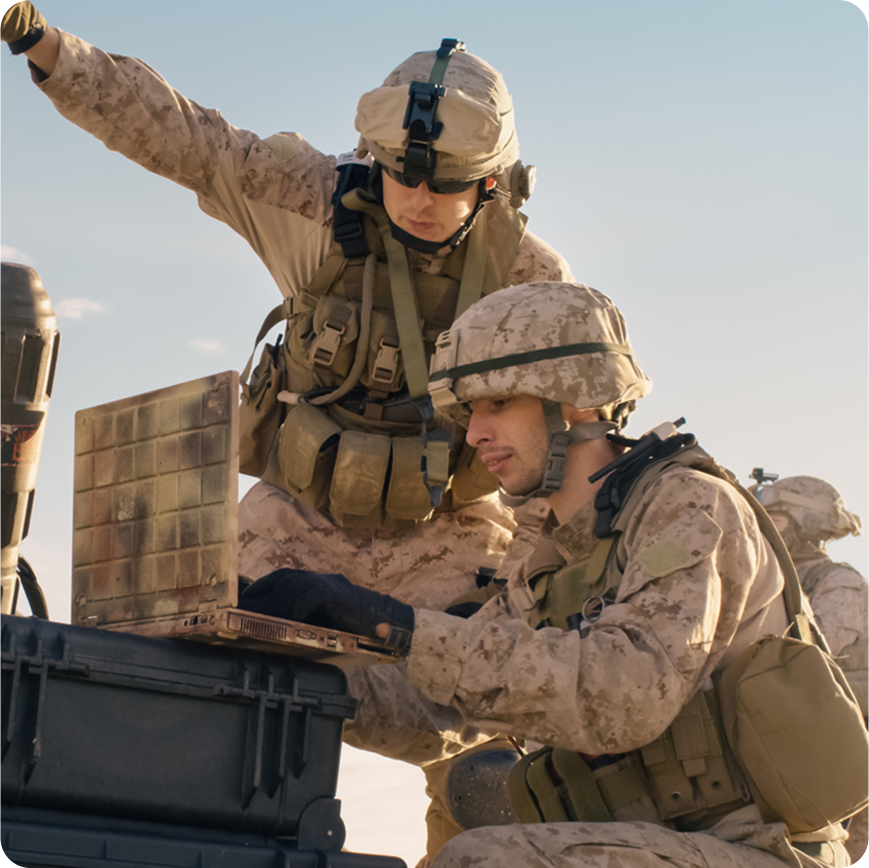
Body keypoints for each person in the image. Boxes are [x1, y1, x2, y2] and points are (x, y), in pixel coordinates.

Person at [1, 3, 574, 858]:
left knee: (494, 754)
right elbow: (184, 134)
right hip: (297, 526)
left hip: (447, 539)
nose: (419, 198)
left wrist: (529, 597)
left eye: (446, 183)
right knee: (176, 686)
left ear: (490, 182)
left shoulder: (530, 281)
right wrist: (41, 43)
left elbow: (552, 465)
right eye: (399, 173)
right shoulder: (310, 200)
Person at [240, 282, 865, 867]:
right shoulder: (552, 554)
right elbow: (446, 714)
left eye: (500, 403)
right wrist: (301, 662)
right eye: (469, 410)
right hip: (660, 842)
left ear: (579, 398)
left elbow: (626, 694)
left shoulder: (687, 506)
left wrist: (400, 624)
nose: (475, 432)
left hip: (753, 844)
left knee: (481, 859)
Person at [751, 476, 868, 865]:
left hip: (844, 751)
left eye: (778, 519)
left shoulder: (839, 581)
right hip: (799, 741)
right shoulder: (777, 578)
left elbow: (817, 655)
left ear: (809, 524)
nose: (767, 527)